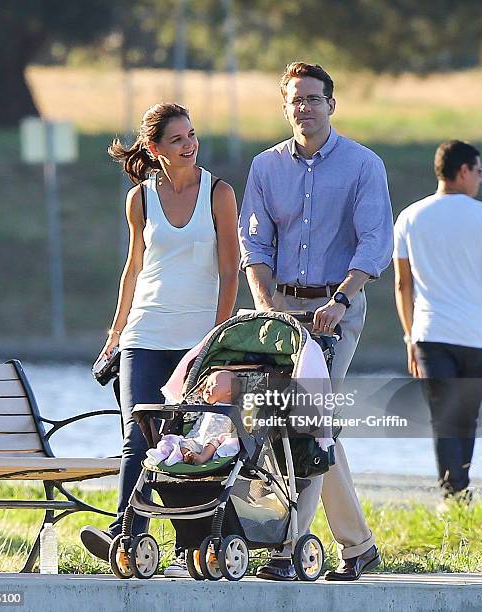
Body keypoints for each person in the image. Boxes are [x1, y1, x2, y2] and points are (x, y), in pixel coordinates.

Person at [238, 62, 393, 581]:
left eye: (313, 98)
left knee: (305, 422)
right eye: (295, 99)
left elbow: (375, 242)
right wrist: (265, 303)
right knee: (304, 426)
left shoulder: (363, 165)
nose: (304, 107)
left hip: (336, 311)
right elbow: (254, 244)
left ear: (332, 103)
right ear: (285, 106)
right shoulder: (265, 167)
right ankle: (359, 548)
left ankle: (285, 550)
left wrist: (342, 301)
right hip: (281, 312)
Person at [80, 103, 239, 578]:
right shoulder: (140, 199)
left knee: (190, 440)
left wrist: (218, 339)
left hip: (198, 338)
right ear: (155, 149)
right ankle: (123, 534)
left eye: (192, 135)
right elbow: (134, 269)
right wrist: (115, 335)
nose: (190, 144)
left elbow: (231, 269)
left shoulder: (220, 193)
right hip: (145, 333)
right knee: (138, 434)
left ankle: (196, 539)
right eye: (177, 139)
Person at [393, 140, 482, 506]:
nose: (479, 178)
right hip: (476, 336)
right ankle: (457, 493)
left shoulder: (410, 217)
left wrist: (409, 338)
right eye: (478, 171)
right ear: (463, 171)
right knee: (466, 420)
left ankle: (453, 495)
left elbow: (402, 284)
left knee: (444, 419)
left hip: (430, 335)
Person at [146, 370, 241, 466]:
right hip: (198, 440)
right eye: (207, 385)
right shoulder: (206, 410)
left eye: (212, 384)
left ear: (229, 391)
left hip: (215, 442)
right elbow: (198, 425)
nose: (207, 387)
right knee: (184, 443)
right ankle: (187, 456)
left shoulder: (233, 410)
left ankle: (201, 458)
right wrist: (191, 436)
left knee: (212, 441)